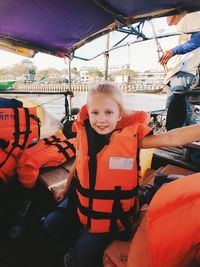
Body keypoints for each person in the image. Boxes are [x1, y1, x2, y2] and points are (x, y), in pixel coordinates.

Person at [43, 83, 200, 267]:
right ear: (88, 113)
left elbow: (172, 138)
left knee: (84, 255)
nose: (101, 119)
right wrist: (65, 188)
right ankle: (72, 242)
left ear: (119, 115)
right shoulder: (84, 134)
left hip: (111, 212)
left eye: (108, 113)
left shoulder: (132, 139)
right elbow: (78, 163)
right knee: (51, 224)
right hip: (80, 199)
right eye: (95, 113)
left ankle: (75, 252)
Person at [159, 12, 200, 126]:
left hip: (185, 71)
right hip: (177, 72)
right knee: (173, 107)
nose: (165, 17)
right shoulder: (182, 26)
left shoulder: (191, 16)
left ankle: (181, 138)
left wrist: (173, 51)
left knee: (178, 109)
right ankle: (181, 136)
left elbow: (197, 40)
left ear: (175, 12)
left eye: (167, 14)